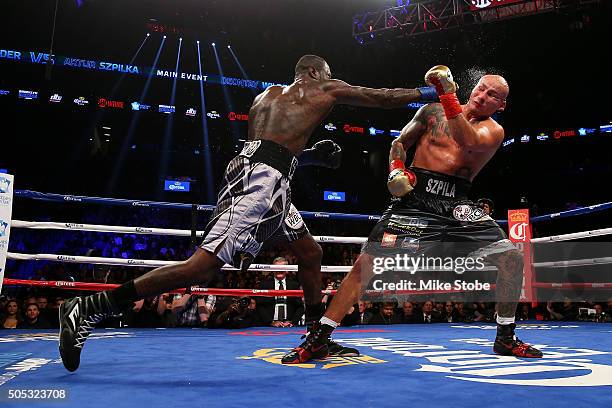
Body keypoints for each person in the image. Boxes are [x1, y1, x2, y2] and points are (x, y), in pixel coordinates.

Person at [58, 54, 438, 372]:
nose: (328, 82)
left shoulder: (265, 97)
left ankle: (315, 337)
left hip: (265, 177)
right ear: (314, 73)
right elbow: (384, 98)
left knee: (311, 253)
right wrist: (428, 91)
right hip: (262, 183)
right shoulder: (323, 86)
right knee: (202, 267)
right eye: (325, 74)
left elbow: (267, 151)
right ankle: (89, 307)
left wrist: (311, 157)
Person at [282, 65, 543, 364]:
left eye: (493, 95)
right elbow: (399, 143)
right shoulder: (431, 112)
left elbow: (466, 140)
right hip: (414, 199)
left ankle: (505, 337)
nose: (483, 96)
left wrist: (447, 95)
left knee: (509, 256)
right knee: (365, 266)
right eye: (481, 88)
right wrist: (396, 170)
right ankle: (320, 339)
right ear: (473, 87)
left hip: (455, 203)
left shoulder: (493, 131)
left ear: (501, 105)